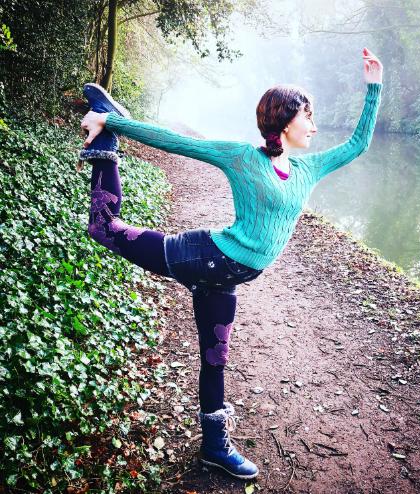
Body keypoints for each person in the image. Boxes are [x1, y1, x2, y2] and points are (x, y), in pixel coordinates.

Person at [79, 47, 383, 480]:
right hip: (201, 257)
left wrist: (374, 87)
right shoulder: (243, 157)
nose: (314, 125)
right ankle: (105, 140)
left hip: (222, 282)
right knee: (104, 228)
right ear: (283, 118)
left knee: (215, 358)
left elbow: (358, 144)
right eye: (307, 115)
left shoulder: (306, 169)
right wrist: (112, 123)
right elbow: (179, 142)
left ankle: (214, 448)